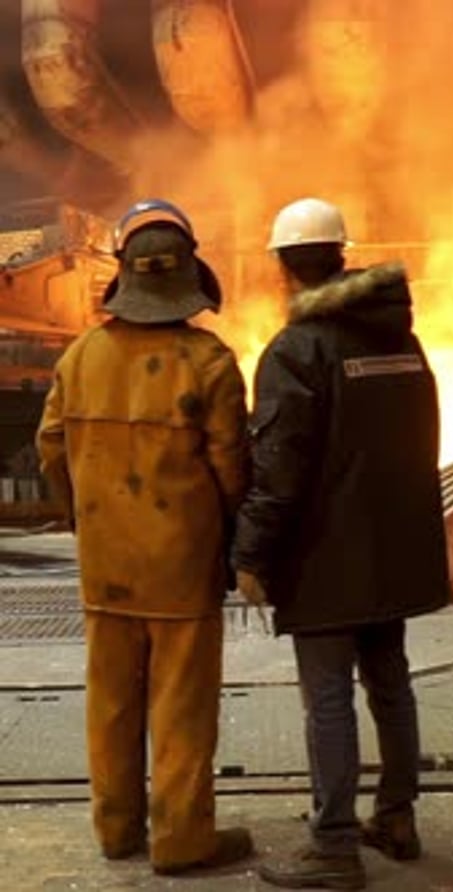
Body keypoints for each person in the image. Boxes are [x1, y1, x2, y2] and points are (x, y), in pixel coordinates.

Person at [232, 197, 450, 890]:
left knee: (327, 697)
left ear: (283, 268)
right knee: (390, 683)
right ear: (341, 255)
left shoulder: (297, 349)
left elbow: (279, 468)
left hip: (326, 557)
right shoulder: (402, 340)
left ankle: (332, 846)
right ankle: (397, 818)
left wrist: (251, 555)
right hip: (395, 547)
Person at [37, 198, 252, 875]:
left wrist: (85, 517)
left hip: (106, 568)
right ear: (189, 274)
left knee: (111, 704)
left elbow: (50, 448)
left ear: (123, 274)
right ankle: (182, 841)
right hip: (182, 569)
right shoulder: (208, 362)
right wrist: (228, 535)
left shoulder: (81, 357)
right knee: (181, 709)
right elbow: (232, 469)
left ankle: (117, 829)